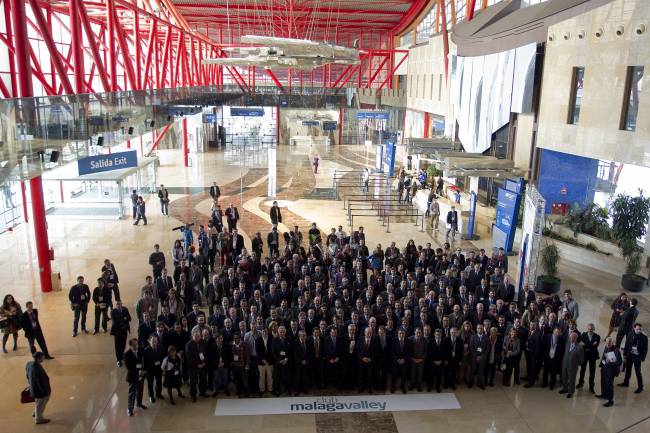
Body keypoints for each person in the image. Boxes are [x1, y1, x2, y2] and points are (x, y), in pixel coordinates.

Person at [619, 323, 647, 393]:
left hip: (638, 357)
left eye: (640, 329)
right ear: (634, 328)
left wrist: (642, 358)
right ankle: (626, 382)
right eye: (637, 329)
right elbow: (627, 344)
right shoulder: (630, 334)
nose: (639, 330)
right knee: (628, 370)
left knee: (638, 372)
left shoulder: (644, 337)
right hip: (630, 355)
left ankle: (640, 387)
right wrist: (625, 354)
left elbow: (645, 349)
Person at [596, 336, 623, 407]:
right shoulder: (606, 347)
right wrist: (602, 364)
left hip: (611, 370)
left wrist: (610, 362)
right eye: (607, 342)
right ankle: (603, 394)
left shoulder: (616, 350)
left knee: (609, 385)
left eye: (609, 342)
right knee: (603, 382)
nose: (608, 344)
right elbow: (604, 356)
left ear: (612, 342)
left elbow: (619, 362)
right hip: (604, 368)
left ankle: (610, 400)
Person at [26, 352, 51, 424]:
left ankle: (35, 413)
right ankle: (39, 418)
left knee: (38, 402)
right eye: (42, 357)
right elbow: (40, 382)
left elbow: (27, 375)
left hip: (33, 388)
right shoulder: (37, 369)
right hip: (40, 391)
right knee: (41, 403)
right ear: (38, 358)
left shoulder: (29, 364)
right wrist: (45, 392)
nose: (43, 358)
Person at [124, 338, 147, 416]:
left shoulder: (141, 350)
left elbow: (144, 361)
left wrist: (143, 370)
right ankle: (130, 408)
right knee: (132, 393)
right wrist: (139, 371)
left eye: (137, 344)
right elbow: (129, 367)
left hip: (141, 376)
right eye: (134, 345)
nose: (136, 346)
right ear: (130, 345)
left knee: (140, 391)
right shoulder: (127, 355)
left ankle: (139, 403)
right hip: (133, 377)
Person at [185, 329, 208, 402]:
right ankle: (193, 395)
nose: (198, 337)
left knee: (203, 380)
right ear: (192, 336)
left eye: (199, 336)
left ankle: (202, 392)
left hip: (203, 365)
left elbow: (206, 353)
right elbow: (189, 357)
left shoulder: (204, 342)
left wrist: (204, 363)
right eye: (196, 336)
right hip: (193, 366)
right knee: (193, 381)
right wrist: (197, 364)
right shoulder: (188, 344)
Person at [577, 323, 600, 393]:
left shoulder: (597, 337)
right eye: (589, 329)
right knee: (582, 369)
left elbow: (594, 346)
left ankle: (591, 386)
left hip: (593, 355)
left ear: (594, 329)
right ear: (587, 329)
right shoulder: (583, 335)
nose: (590, 330)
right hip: (584, 355)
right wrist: (590, 345)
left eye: (591, 329)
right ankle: (580, 382)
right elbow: (581, 344)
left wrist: (585, 345)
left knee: (592, 371)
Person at [559, 332, 584, 398]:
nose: (571, 339)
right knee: (564, 377)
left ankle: (570, 391)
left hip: (573, 366)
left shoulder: (580, 347)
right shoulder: (567, 343)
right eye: (570, 337)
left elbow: (581, 359)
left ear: (576, 338)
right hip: (564, 364)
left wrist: (575, 364)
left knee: (571, 379)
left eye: (573, 338)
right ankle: (565, 389)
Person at [143, 334, 166, 403]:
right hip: (150, 370)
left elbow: (163, 356)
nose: (154, 343)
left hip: (158, 369)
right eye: (153, 341)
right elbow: (145, 362)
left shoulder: (160, 347)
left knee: (159, 382)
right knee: (150, 384)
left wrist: (163, 367)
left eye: (156, 341)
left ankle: (158, 394)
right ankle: (151, 396)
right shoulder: (146, 350)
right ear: (149, 341)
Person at [110, 300, 132, 367]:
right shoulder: (113, 312)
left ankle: (121, 355)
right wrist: (124, 318)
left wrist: (123, 319)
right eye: (117, 304)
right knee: (117, 346)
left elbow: (129, 318)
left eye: (120, 304)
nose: (119, 305)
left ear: (122, 304)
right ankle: (118, 360)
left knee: (123, 344)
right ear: (116, 305)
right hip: (117, 331)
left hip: (124, 330)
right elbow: (115, 322)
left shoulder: (125, 309)